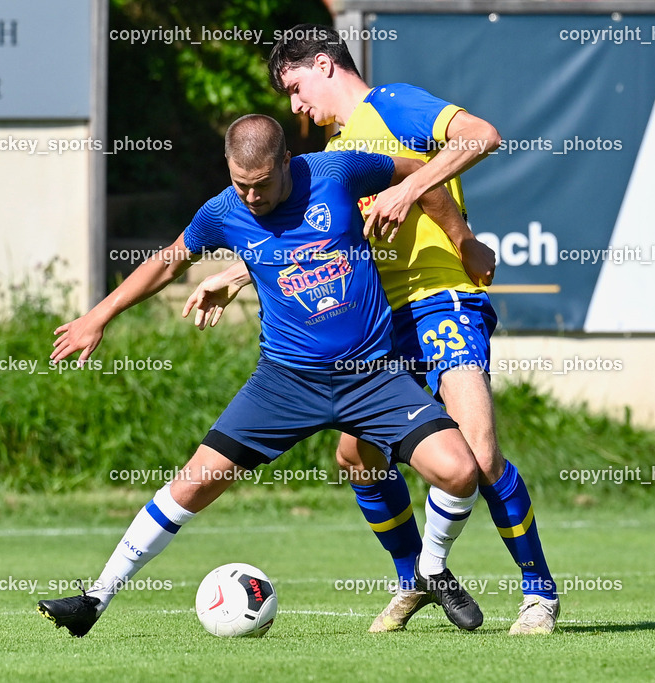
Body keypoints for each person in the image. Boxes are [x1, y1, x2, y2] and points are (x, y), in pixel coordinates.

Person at [37, 114, 486, 637]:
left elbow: (421, 174)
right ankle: (94, 599)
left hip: (372, 376)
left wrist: (462, 240)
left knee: (460, 471)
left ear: (287, 164)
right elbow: (167, 262)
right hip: (285, 382)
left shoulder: (337, 172)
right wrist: (98, 316)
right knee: (193, 484)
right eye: (239, 183)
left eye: (262, 184)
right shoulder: (221, 213)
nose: (250, 197)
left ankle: (430, 569)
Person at [191, 25, 559, 635]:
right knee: (356, 454)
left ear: (323, 65)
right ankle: (415, 576)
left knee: (479, 451)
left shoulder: (391, 105)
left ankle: (538, 594)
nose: (295, 106)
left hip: (439, 300)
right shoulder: (331, 156)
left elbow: (481, 136)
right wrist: (237, 274)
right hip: (380, 320)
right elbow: (317, 243)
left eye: (295, 86)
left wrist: (421, 196)